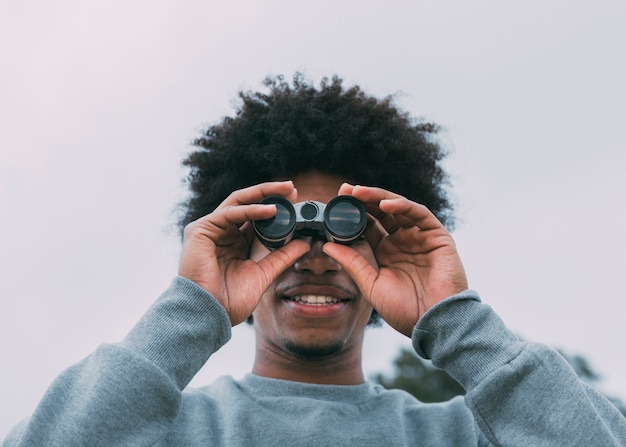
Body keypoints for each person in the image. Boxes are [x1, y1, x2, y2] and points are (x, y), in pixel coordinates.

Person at [3, 74, 625, 446]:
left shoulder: (466, 434)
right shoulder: (162, 430)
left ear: (390, 246)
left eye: (348, 229)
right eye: (277, 225)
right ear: (232, 243)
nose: (316, 254)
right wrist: (190, 310)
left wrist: (454, 318)